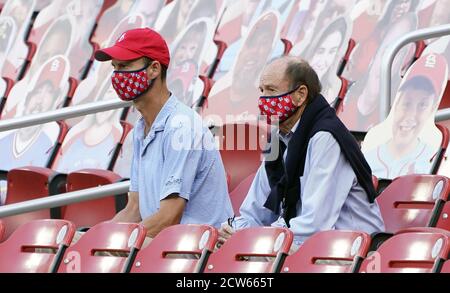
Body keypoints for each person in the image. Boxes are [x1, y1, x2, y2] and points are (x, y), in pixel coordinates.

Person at [217, 56, 385, 250]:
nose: (263, 100)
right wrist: (235, 233)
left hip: (351, 253)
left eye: (271, 90)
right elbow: (255, 212)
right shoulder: (278, 140)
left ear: (300, 95)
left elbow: (313, 225)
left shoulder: (326, 138)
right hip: (303, 247)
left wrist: (253, 241)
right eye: (261, 91)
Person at [92, 28, 233, 243]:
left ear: (154, 69)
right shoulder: (140, 129)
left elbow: (168, 217)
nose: (117, 76)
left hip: (197, 248)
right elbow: (134, 209)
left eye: (125, 66)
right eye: (115, 68)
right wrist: (91, 238)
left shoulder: (181, 125)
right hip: (168, 243)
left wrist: (112, 242)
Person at [364, 76, 439, 179]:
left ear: (431, 111)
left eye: (422, 106)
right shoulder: (368, 158)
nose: (411, 115)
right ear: (395, 105)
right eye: (406, 104)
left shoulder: (433, 161)